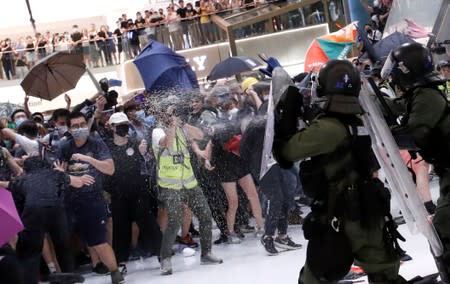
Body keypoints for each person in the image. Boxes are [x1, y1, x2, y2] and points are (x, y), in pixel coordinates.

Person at [273, 60, 403, 283]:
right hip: (369, 210)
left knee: (316, 278)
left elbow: (285, 153)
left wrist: (286, 117)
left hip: (338, 217)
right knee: (385, 275)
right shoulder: (357, 121)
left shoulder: (328, 128)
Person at [381, 42, 450, 277]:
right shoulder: (423, 93)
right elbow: (402, 107)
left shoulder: (425, 96)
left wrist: (394, 134)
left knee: (444, 228)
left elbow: (416, 134)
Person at [152, 102, 222, 275]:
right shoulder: (157, 131)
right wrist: (174, 125)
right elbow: (167, 143)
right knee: (174, 221)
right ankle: (165, 260)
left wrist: (183, 123)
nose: (173, 116)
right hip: (170, 185)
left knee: (205, 216)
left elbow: (199, 135)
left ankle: (206, 253)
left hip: (189, 182)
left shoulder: (182, 128)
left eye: (174, 113)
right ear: (163, 116)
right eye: (170, 113)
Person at [57, 112, 124, 284]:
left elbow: (110, 169)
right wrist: (73, 179)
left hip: (92, 201)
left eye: (82, 124)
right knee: (66, 241)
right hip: (69, 202)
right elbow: (57, 173)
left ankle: (115, 272)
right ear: (70, 130)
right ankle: (63, 275)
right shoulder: (64, 147)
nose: (80, 128)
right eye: (75, 126)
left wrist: (87, 159)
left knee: (99, 241)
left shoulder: (96, 145)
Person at [104, 112, 161, 269]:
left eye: (126, 124)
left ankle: (162, 255)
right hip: (118, 193)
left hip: (138, 190)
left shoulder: (136, 142)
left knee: (148, 223)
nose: (123, 127)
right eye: (120, 125)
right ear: (112, 127)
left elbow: (145, 162)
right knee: (120, 228)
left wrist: (142, 154)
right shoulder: (106, 147)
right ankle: (120, 262)